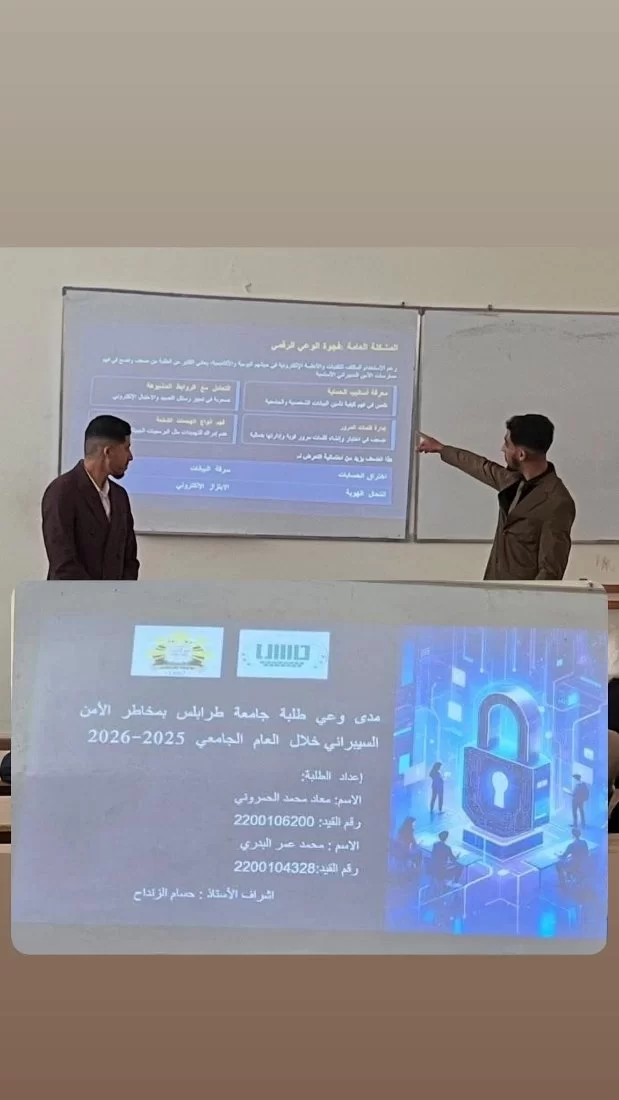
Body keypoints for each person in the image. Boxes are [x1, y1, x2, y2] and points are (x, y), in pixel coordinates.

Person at [417, 415, 575, 581]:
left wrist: (528, 598)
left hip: (521, 595)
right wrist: (441, 449)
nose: (502, 449)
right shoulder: (513, 479)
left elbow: (550, 572)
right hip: (492, 588)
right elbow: (480, 466)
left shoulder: (557, 502)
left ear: (521, 455)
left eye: (507, 444)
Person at [42, 415, 139, 581]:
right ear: (108, 452)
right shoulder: (62, 491)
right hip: (71, 596)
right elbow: (63, 563)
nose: (130, 456)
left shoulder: (120, 496)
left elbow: (129, 560)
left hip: (115, 596)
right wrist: (96, 595)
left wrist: (121, 592)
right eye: (126, 448)